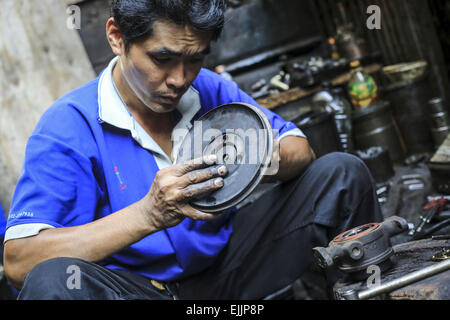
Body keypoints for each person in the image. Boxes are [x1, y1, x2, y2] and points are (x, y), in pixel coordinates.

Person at [3, 0, 382, 300]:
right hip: (138, 290)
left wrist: (258, 158)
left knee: (341, 174)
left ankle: (365, 294)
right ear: (117, 37)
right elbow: (20, 262)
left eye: (195, 59)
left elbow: (300, 149)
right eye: (161, 59)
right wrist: (149, 215)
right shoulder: (68, 126)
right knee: (55, 281)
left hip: (229, 270)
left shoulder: (209, 89)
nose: (178, 80)